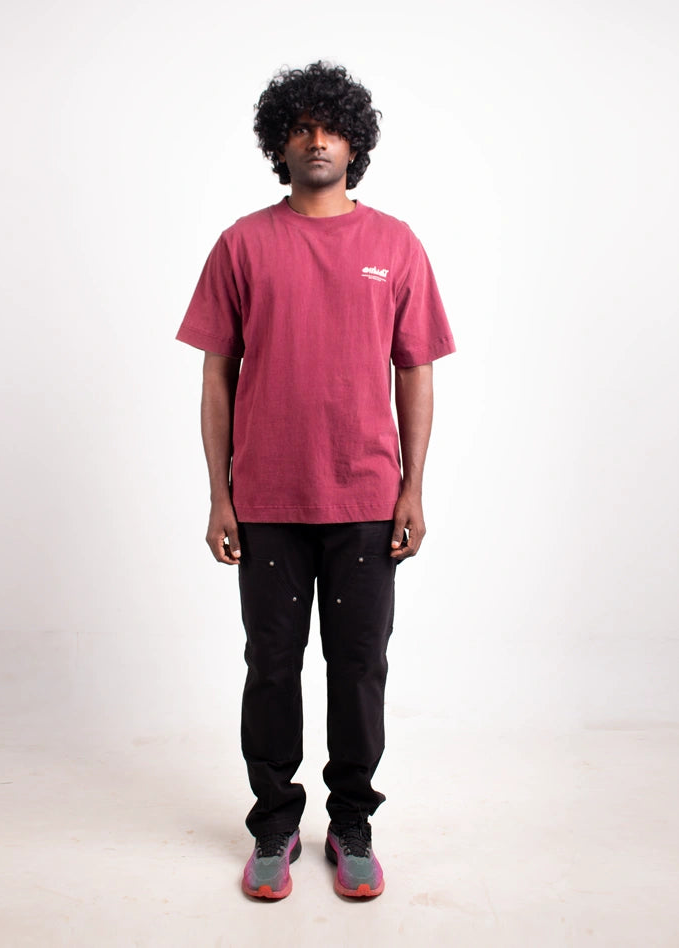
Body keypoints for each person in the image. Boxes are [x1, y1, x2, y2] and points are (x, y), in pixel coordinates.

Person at [175, 61, 456, 900]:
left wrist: (412, 488)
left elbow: (416, 370)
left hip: (366, 497)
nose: (317, 140)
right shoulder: (242, 244)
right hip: (267, 499)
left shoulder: (396, 245)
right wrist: (220, 495)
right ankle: (273, 826)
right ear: (279, 144)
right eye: (300, 127)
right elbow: (217, 375)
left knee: (359, 667)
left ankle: (352, 824)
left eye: (331, 127)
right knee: (271, 666)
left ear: (355, 142)